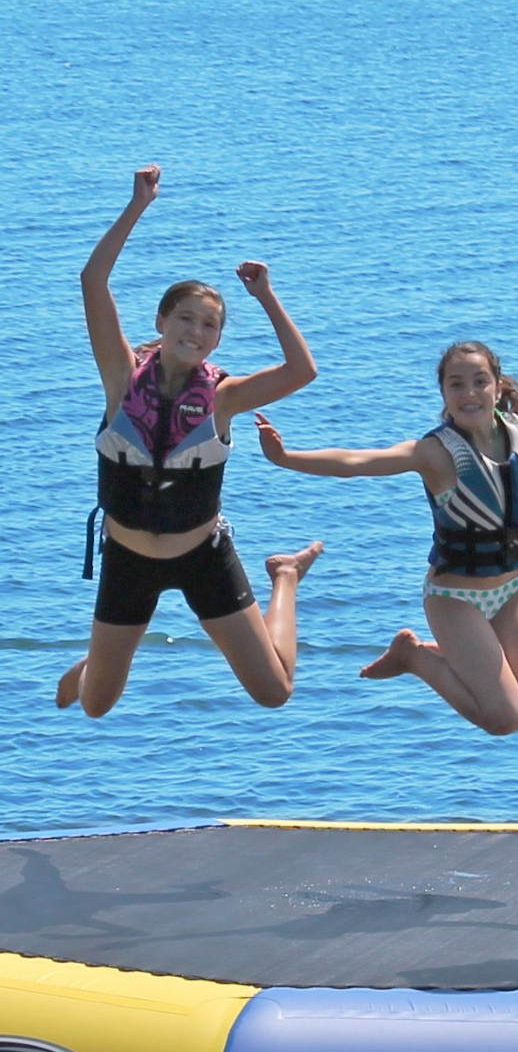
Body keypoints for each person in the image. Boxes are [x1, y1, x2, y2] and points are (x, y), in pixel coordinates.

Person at [255, 339, 518, 735]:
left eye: (480, 381)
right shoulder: (436, 454)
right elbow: (356, 462)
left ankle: (459, 659)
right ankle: (414, 656)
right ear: (444, 393)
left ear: (498, 386)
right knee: (504, 718)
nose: (469, 393)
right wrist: (287, 457)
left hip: (512, 591)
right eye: (456, 385)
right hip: (454, 600)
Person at [57, 165, 323, 717]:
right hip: (128, 559)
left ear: (218, 338)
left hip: (204, 555)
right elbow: (92, 281)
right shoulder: (120, 377)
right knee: (96, 705)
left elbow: (302, 371)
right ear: (161, 319)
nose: (195, 332)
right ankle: (93, 666)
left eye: (209, 326)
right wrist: (137, 206)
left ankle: (286, 575)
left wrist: (267, 296)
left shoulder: (224, 397)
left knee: (274, 693)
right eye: (185, 318)